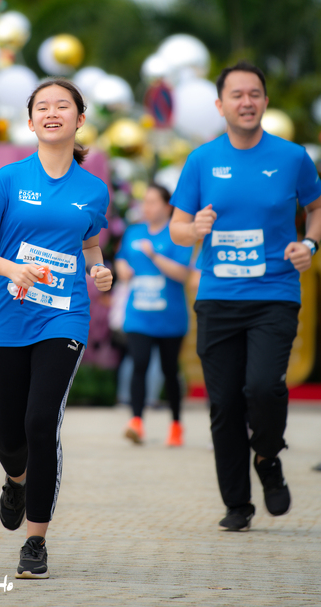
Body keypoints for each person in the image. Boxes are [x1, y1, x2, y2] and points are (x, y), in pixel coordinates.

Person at [0, 78, 112, 577]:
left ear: (79, 119)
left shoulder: (94, 189)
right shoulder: (5, 180)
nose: (52, 112)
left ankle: (36, 542)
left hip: (63, 316)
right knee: (10, 439)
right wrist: (11, 269)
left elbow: (89, 244)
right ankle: (15, 480)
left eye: (62, 105)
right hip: (7, 318)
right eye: (42, 106)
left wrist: (99, 270)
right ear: (30, 121)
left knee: (42, 423)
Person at [169, 61, 321, 531]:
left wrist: (309, 244)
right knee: (224, 404)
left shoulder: (292, 157)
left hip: (275, 293)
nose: (246, 102)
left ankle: (268, 456)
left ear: (265, 101)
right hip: (218, 298)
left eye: (254, 94)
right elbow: (177, 228)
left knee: (263, 387)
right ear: (220, 105)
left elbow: (318, 208)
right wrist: (194, 228)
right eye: (237, 95)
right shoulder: (201, 160)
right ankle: (237, 505)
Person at [115, 183, 193, 446]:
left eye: (152, 202)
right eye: (144, 202)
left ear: (167, 206)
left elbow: (183, 274)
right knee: (140, 363)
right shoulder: (134, 231)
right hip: (138, 314)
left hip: (170, 317)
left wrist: (154, 256)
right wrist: (122, 268)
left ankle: (176, 424)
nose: (146, 207)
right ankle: (136, 422)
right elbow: (121, 257)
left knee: (170, 370)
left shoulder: (177, 234)